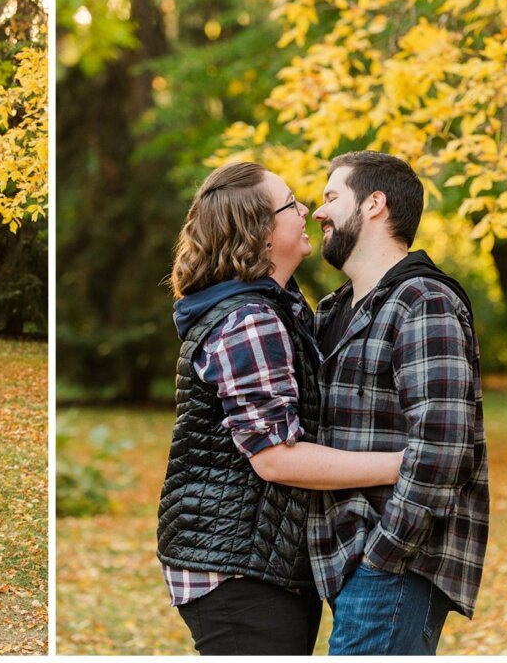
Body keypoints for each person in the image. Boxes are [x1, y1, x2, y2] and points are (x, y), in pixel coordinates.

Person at [157, 162, 405, 656]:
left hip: (258, 559)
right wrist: (403, 464)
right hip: (237, 568)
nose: (309, 212)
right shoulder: (251, 319)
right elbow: (275, 456)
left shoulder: (275, 308)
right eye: (291, 204)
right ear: (263, 234)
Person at [309, 151, 489, 655]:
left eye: (330, 197)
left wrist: (383, 556)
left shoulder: (423, 302)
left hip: (396, 563)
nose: (318, 212)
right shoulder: (334, 311)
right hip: (348, 559)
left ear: (374, 204)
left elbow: (443, 448)